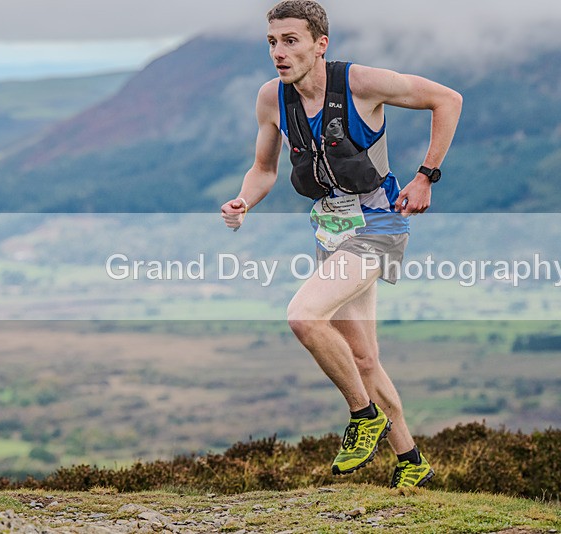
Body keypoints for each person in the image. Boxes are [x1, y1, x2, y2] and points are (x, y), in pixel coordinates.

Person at [221, 0, 462, 488]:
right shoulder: (272, 99)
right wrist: (244, 201)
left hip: (377, 228)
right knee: (364, 359)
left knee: (304, 316)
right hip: (331, 232)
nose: (279, 52)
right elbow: (264, 169)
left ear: (319, 44)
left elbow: (448, 99)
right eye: (272, 42)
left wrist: (426, 177)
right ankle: (412, 461)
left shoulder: (360, 83)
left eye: (290, 41)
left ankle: (363, 415)